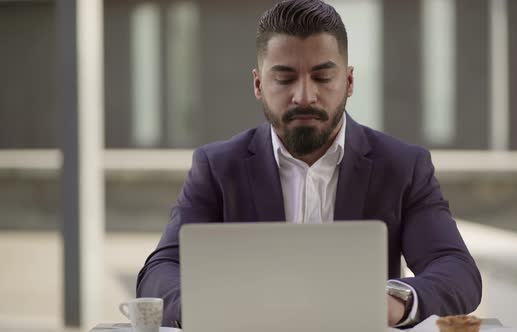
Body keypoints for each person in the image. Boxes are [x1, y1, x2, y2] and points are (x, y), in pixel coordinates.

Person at [136, 0, 482, 328]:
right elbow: (160, 271)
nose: (304, 96)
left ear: (348, 82)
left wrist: (396, 301)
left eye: (322, 77)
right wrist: (207, 308)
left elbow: (456, 270)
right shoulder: (217, 166)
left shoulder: (402, 166)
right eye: (284, 79)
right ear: (258, 84)